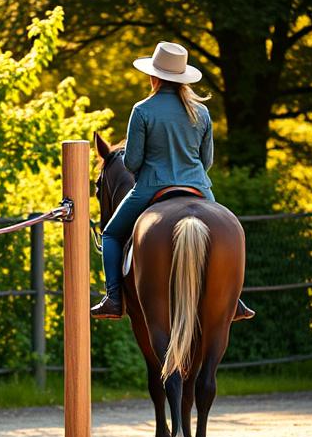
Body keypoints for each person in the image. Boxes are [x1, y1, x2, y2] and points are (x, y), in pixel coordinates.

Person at [90, 41, 255, 322]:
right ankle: (234, 299)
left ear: (154, 77)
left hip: (151, 188)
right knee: (228, 230)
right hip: (198, 187)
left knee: (111, 234)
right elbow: (208, 161)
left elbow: (130, 163)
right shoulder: (201, 112)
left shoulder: (142, 110)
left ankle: (114, 298)